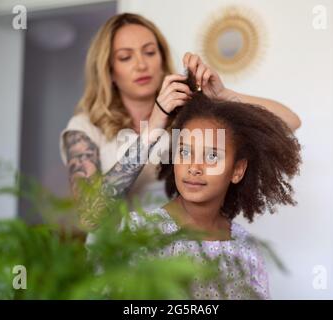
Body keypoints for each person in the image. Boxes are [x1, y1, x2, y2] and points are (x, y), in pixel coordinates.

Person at [60, 13, 301, 229]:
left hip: (181, 256)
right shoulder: (85, 128)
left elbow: (288, 123)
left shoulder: (189, 116)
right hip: (116, 262)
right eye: (125, 57)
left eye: (149, 52)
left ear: (162, 59)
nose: (141, 64)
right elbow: (88, 215)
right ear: (109, 70)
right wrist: (154, 125)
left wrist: (223, 96)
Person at [127, 71, 302, 299]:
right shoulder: (142, 233)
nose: (194, 167)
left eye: (211, 156)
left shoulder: (245, 249)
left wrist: (224, 94)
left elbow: (288, 121)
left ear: (237, 170)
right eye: (185, 152)